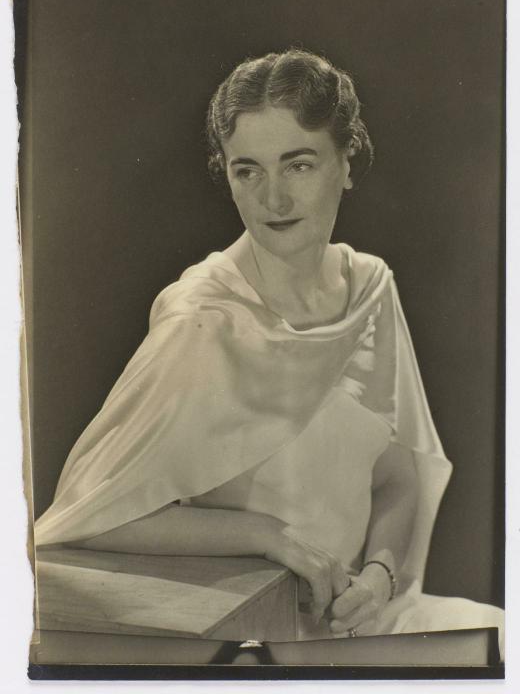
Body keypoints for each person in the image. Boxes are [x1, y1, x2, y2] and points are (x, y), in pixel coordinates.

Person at [34, 49, 504, 652]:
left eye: (298, 165)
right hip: (254, 640)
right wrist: (267, 535)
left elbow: (396, 478)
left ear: (348, 162)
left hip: (361, 621)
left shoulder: (369, 288)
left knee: (501, 640)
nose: (273, 199)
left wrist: (380, 577)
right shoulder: (202, 319)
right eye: (247, 171)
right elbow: (87, 512)